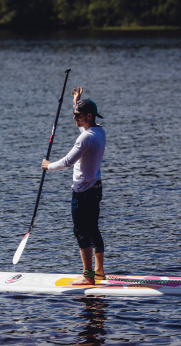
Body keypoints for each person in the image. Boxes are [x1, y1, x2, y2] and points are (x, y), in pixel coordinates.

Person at [42, 87, 106, 285]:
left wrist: (48, 166)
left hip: (83, 192)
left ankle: (88, 277)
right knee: (93, 229)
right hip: (95, 188)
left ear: (88, 116)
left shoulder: (86, 138)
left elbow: (68, 161)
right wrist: (76, 102)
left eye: (77, 115)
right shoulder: (98, 131)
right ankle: (99, 272)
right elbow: (83, 131)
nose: (74, 119)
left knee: (81, 232)